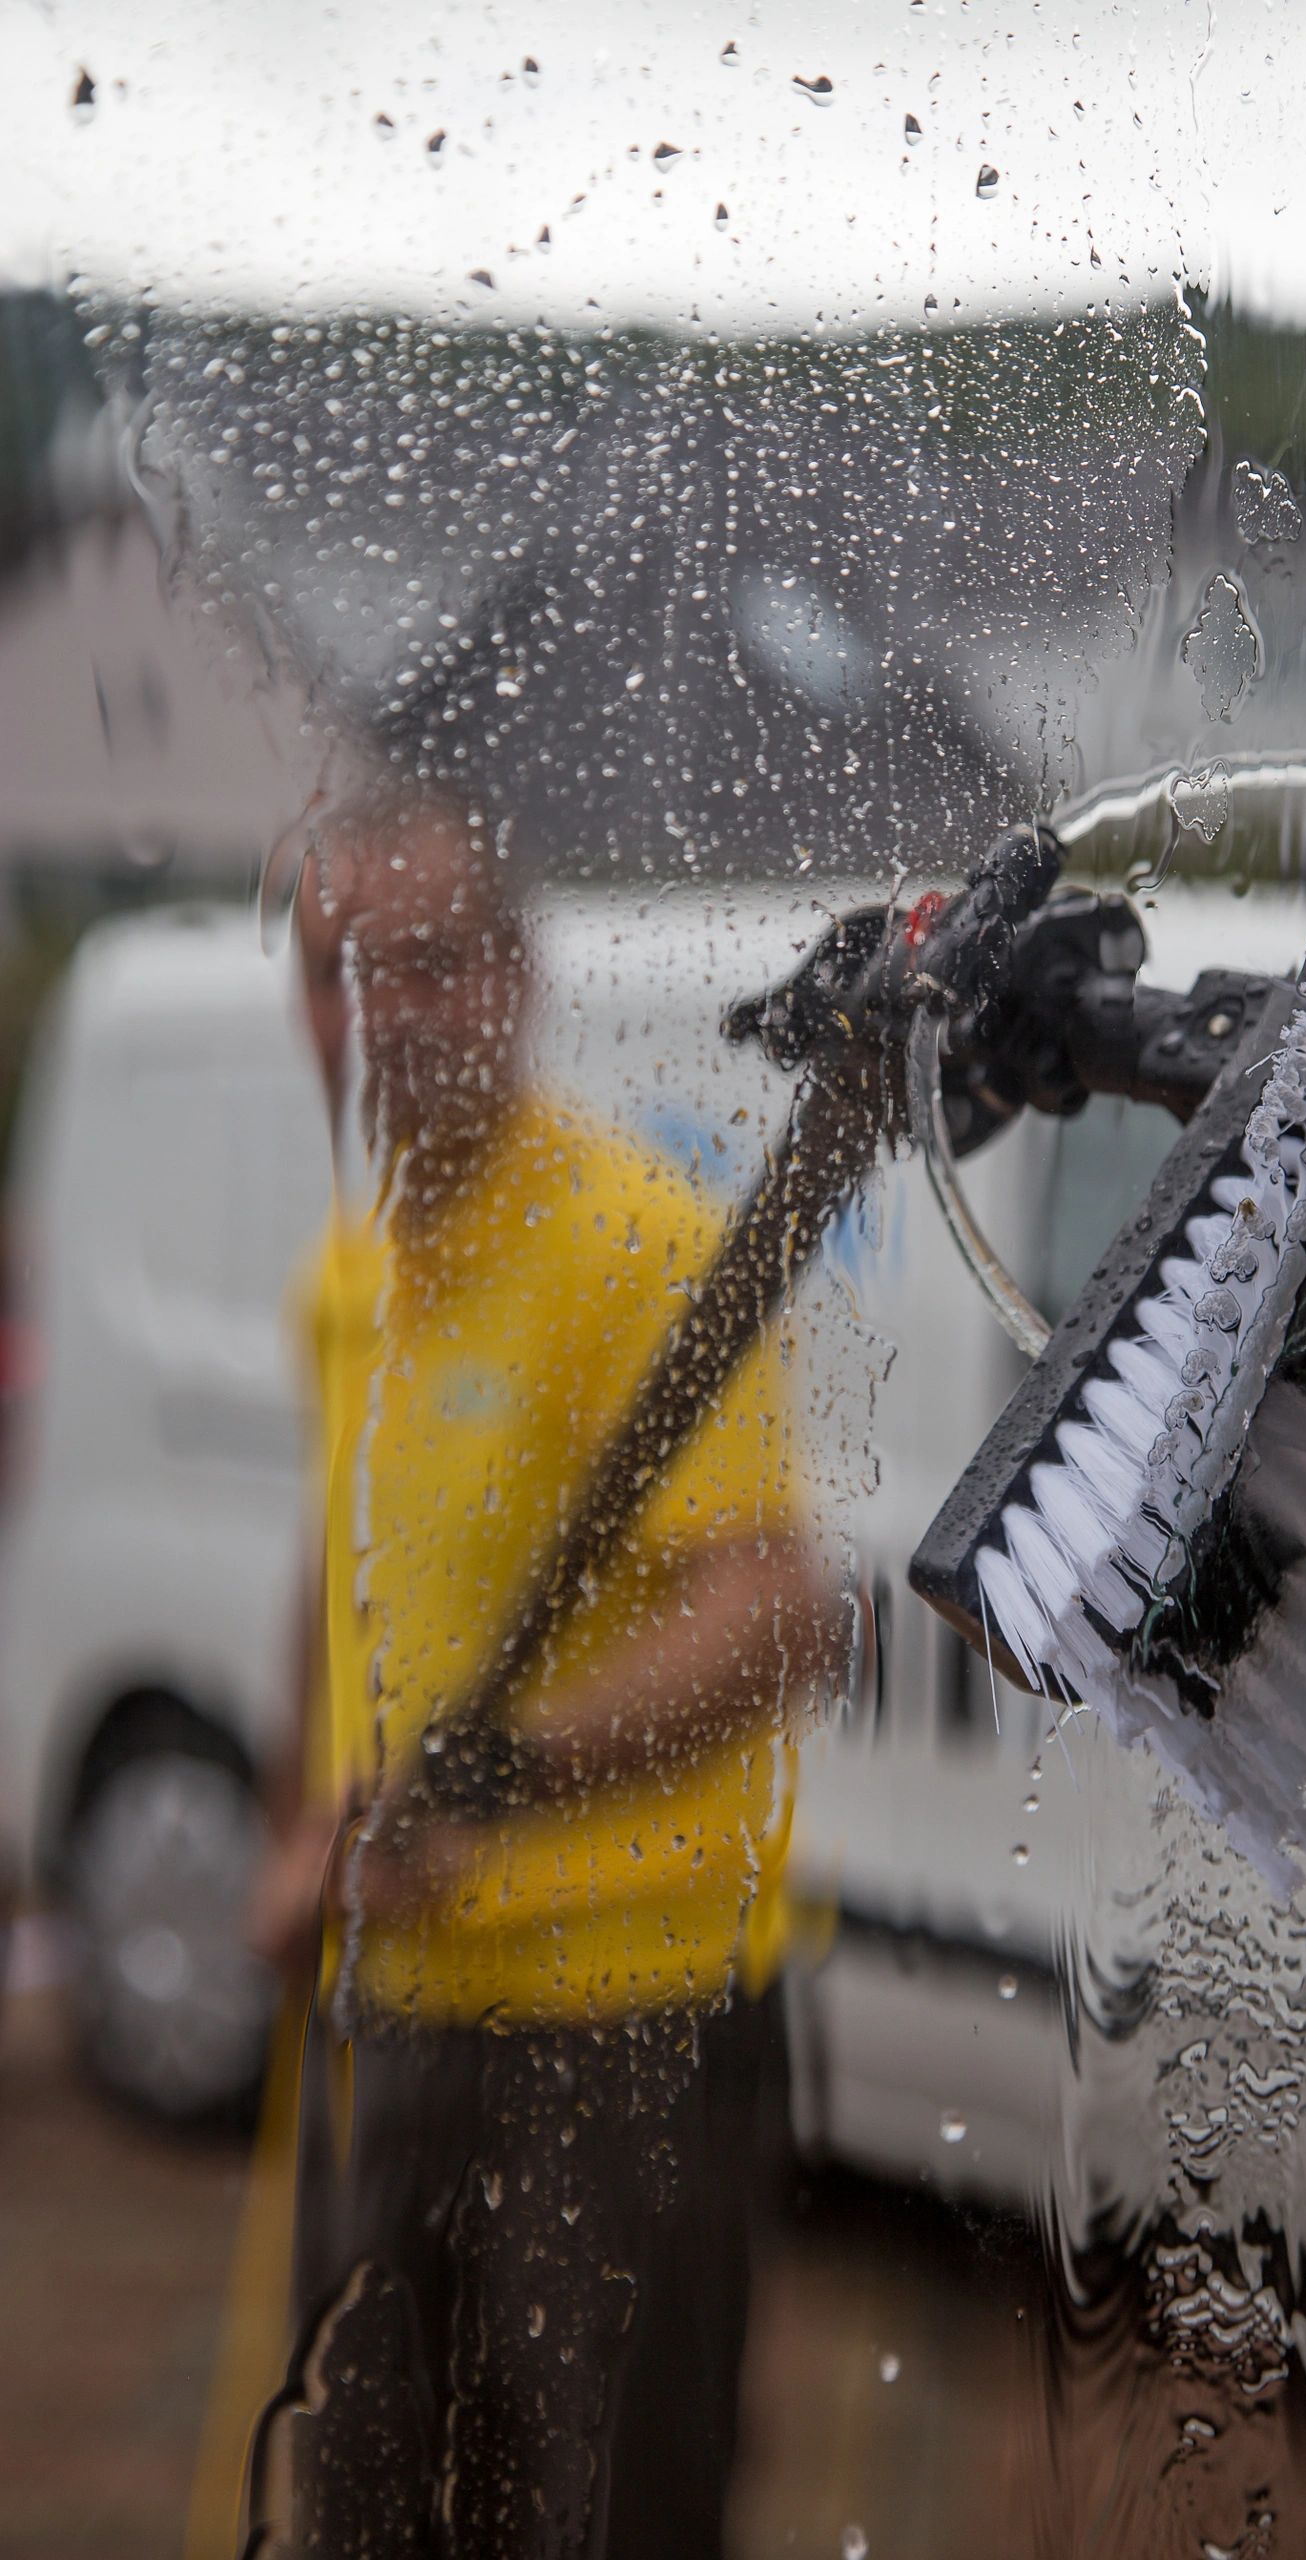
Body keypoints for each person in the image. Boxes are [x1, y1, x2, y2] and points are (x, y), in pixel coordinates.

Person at [248, 770, 828, 2559]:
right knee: (365, 2504)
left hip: (623, 2032)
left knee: (593, 2519)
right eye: (347, 972)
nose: (389, 1016)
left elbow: (773, 1613)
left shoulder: (639, 1246)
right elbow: (334, 1584)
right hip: (399, 2006)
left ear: (518, 978)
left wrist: (494, 1773)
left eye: (431, 967)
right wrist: (299, 1831)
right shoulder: (357, 1271)